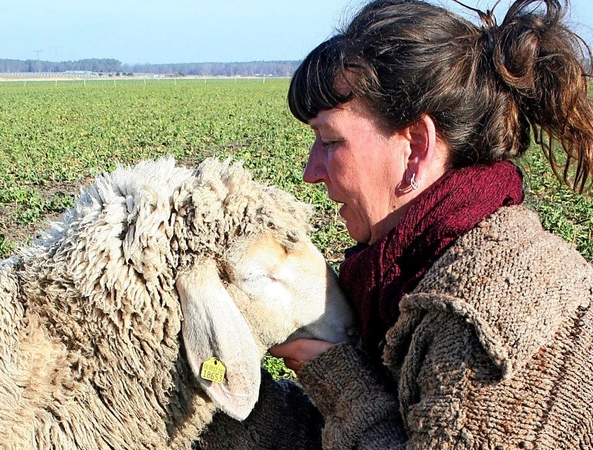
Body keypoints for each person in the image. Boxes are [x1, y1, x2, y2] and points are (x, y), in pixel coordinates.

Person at [197, 0, 593, 448]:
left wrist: (337, 379)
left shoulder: (475, 329)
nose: (311, 170)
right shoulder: (421, 268)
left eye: (330, 140)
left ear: (416, 148)